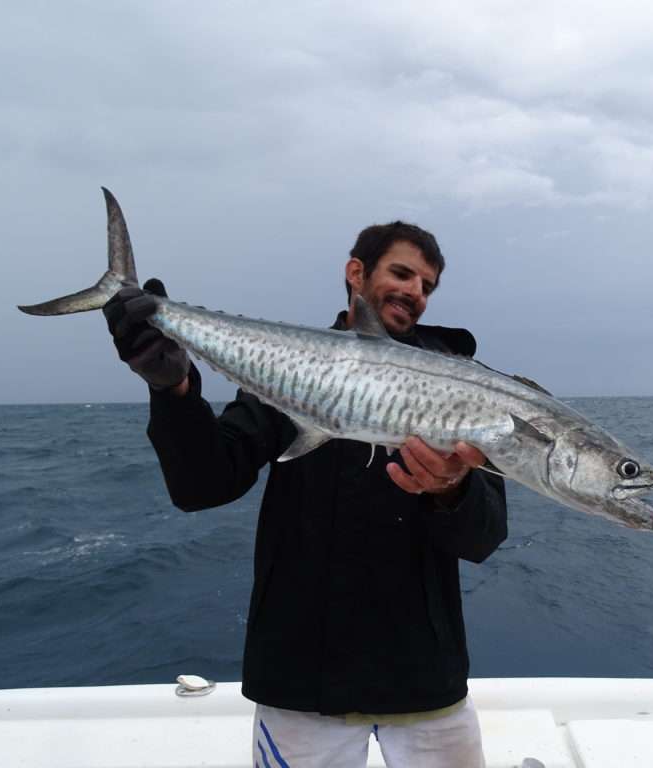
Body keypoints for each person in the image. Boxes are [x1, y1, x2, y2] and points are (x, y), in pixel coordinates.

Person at [103, 221, 508, 768]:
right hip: (300, 680)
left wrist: (451, 486)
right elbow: (202, 485)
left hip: (424, 678)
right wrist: (172, 390)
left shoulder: (463, 387)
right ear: (356, 273)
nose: (416, 291)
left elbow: (485, 537)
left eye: (428, 285)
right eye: (402, 273)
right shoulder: (292, 369)